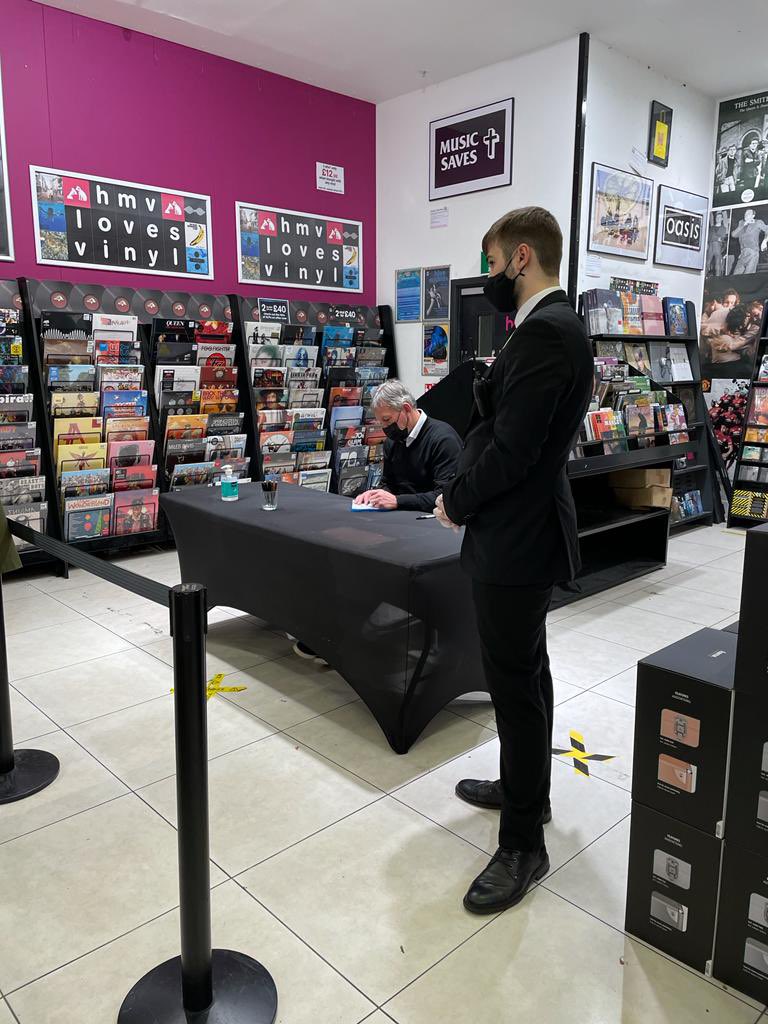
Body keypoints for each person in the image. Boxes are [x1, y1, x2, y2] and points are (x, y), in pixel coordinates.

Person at [434, 206, 593, 915]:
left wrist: (456, 501)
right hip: (521, 531)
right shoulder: (545, 331)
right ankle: (527, 787)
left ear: (520, 257)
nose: (489, 275)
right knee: (527, 673)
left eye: (492, 261)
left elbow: (512, 451)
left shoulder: (549, 334)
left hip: (515, 538)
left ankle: (523, 842)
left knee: (515, 688)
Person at [354, 379, 461, 511]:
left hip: (433, 522)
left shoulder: (443, 440)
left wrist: (398, 501)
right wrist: (375, 495)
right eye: (380, 422)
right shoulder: (392, 442)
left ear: (406, 408)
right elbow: (388, 484)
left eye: (387, 420)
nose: (385, 427)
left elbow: (444, 496)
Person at [731, 208, 768, 274]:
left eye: (748, 213)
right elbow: (733, 235)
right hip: (742, 254)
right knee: (735, 275)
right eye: (745, 213)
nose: (746, 215)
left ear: (753, 216)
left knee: (748, 276)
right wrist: (743, 225)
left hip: (752, 252)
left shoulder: (757, 222)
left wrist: (765, 241)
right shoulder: (741, 223)